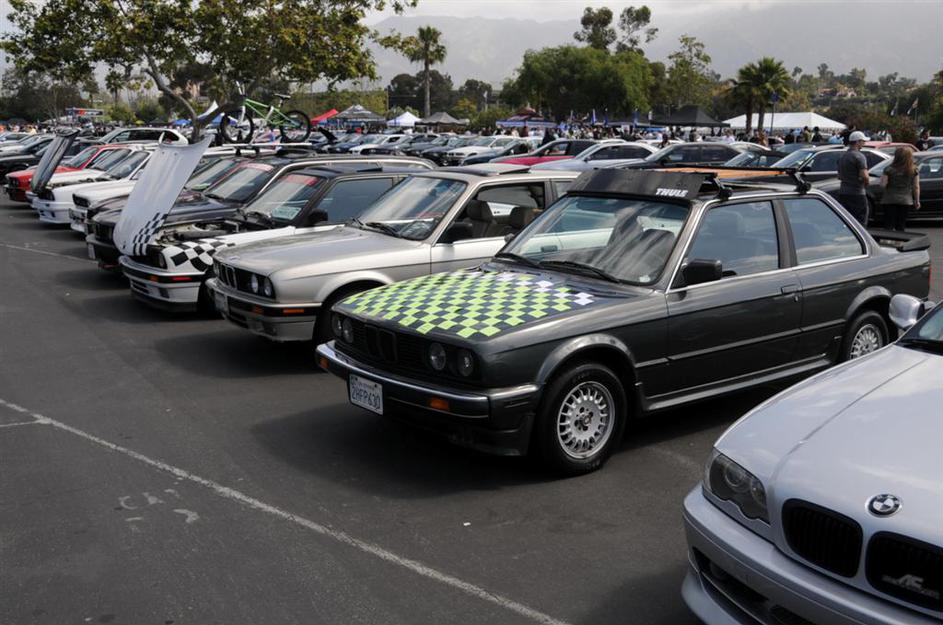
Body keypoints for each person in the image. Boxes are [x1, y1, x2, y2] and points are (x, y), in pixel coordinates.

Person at [880, 147, 920, 231]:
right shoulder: (914, 170)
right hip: (905, 200)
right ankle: (899, 238)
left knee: (888, 225)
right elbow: (916, 187)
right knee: (901, 225)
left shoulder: (888, 169)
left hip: (889, 199)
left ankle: (887, 238)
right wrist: (917, 201)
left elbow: (883, 185)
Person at [837, 131, 871, 224]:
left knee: (847, 221)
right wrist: (866, 183)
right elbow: (865, 176)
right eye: (863, 141)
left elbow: (839, 176)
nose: (864, 143)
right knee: (860, 221)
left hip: (843, 192)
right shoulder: (859, 156)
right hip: (857, 193)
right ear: (857, 142)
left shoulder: (842, 156)